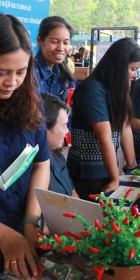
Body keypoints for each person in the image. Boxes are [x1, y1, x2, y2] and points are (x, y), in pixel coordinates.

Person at [0, 14, 50, 278]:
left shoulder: (29, 100)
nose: (12, 82)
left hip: (19, 226)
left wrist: (31, 220)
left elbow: (41, 163)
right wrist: (3, 235)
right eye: (2, 72)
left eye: (20, 72)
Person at [67, 38, 140, 200]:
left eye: (137, 70)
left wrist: (132, 165)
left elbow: (125, 126)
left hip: (108, 169)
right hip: (89, 172)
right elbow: (104, 137)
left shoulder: (118, 88)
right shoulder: (92, 89)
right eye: (132, 69)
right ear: (118, 66)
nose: (135, 75)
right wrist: (115, 178)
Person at [41, 94, 79, 197]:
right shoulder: (32, 168)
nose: (67, 131)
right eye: (64, 126)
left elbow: (73, 192)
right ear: (44, 129)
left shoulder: (58, 155)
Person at [34, 16, 75, 102]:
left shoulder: (65, 74)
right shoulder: (29, 73)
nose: (61, 48)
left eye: (65, 43)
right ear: (39, 40)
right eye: (54, 42)